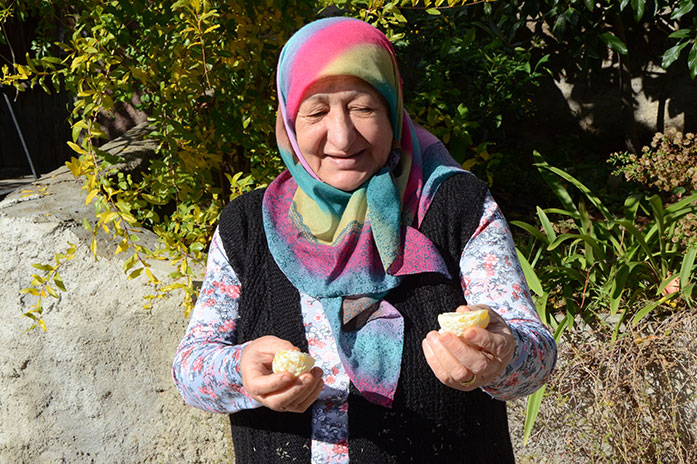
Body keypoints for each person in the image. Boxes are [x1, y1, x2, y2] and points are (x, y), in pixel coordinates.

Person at [172, 16, 556, 463]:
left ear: (392, 109)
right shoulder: (247, 226)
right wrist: (239, 371)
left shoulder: (456, 206)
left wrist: (503, 352)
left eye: (362, 108)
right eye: (316, 112)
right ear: (290, 123)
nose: (342, 136)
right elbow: (190, 369)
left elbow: (537, 357)